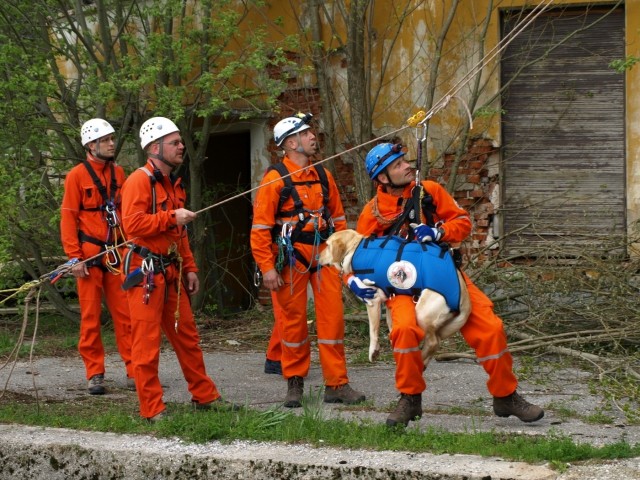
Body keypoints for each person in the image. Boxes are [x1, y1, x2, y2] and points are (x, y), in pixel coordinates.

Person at [352, 142, 544, 427]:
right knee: (404, 331)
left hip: (442, 273)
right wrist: (353, 281)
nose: (407, 166)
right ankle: (409, 398)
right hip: (401, 284)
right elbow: (357, 255)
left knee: (490, 328)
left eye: (404, 161)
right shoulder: (373, 212)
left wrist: (439, 231)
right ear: (382, 177)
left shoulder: (428, 191)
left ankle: (505, 395)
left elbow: (463, 223)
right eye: (397, 165)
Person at [120, 116, 234, 422]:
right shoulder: (139, 181)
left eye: (180, 141)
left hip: (171, 271)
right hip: (145, 273)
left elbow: (178, 233)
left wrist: (191, 268)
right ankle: (152, 408)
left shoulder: (172, 184)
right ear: (155, 148)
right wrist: (171, 217)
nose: (182, 146)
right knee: (145, 344)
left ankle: (204, 395)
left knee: (187, 336)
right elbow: (131, 224)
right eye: (175, 142)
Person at [251, 113, 365, 408]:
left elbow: (339, 220)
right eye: (306, 133)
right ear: (291, 142)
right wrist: (266, 267)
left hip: (325, 259)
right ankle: (294, 383)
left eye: (311, 132)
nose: (313, 136)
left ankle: (337, 384)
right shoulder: (275, 179)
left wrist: (345, 258)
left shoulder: (323, 176)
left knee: (333, 321)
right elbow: (260, 230)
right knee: (292, 325)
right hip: (291, 259)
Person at [60, 118, 134, 395]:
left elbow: (126, 213)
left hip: (116, 253)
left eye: (112, 139)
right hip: (88, 256)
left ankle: (134, 369)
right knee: (90, 317)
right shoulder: (76, 176)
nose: (111, 143)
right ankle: (95, 374)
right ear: (91, 145)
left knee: (126, 315)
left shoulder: (120, 173)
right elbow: (68, 218)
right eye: (106, 140)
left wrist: (128, 249)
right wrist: (73, 257)